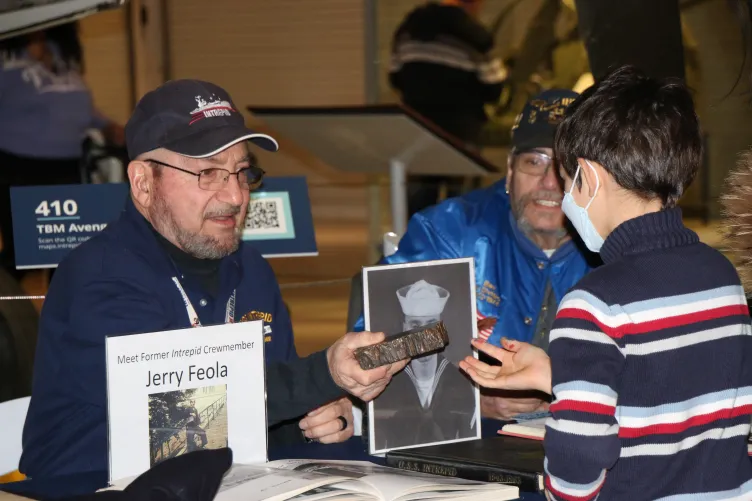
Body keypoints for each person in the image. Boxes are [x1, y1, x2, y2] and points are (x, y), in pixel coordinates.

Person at [19, 79, 407, 481]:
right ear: (143, 183)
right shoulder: (100, 276)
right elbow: (175, 413)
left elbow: (265, 405)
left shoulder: (251, 268)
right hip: (90, 486)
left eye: (241, 172)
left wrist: (314, 420)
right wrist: (321, 376)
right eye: (208, 172)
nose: (237, 196)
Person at [461, 65, 752, 500]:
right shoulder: (720, 273)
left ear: (589, 178)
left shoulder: (594, 302)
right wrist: (557, 374)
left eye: (566, 180)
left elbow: (579, 455)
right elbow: (669, 386)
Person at [354, 88, 595, 422]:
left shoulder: (616, 245)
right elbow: (373, 349)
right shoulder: (451, 233)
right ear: (510, 172)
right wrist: (469, 399)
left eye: (567, 165)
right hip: (470, 442)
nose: (549, 182)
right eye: (533, 162)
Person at [0, 22, 124, 279]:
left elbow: (80, 105)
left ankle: (63, 317)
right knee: (23, 259)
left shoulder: (61, 52)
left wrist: (108, 127)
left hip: (70, 169)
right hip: (20, 169)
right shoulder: (6, 58)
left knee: (71, 258)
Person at [389, 0, 507, 216]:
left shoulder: (408, 30)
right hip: (461, 136)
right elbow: (494, 89)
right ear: (473, 4)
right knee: (461, 211)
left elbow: (395, 76)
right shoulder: (475, 38)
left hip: (417, 133)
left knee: (418, 210)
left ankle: (420, 248)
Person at [372, 280, 476, 450]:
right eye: (415, 325)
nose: (423, 336)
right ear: (405, 327)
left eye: (431, 324)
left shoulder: (460, 381)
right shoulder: (386, 382)